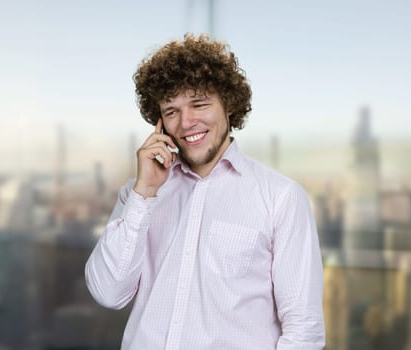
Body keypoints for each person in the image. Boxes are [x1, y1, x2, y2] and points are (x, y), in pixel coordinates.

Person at [85, 33, 325, 350]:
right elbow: (108, 293)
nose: (186, 122)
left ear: (229, 105)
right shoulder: (138, 195)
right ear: (159, 123)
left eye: (199, 104)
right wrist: (144, 193)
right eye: (171, 111)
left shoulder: (280, 197)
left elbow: (303, 330)